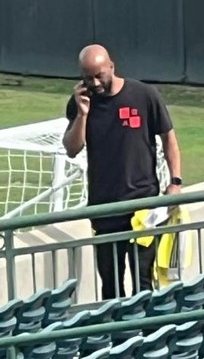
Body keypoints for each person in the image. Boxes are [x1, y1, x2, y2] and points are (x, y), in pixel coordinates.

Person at [62, 43, 183, 300]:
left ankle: (147, 336)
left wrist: (175, 181)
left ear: (112, 67)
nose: (94, 83)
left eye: (99, 75)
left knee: (143, 282)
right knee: (111, 286)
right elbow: (72, 148)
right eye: (87, 77)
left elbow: (168, 138)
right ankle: (117, 337)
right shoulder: (80, 103)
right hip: (104, 209)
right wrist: (82, 114)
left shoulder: (144, 95)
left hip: (143, 208)